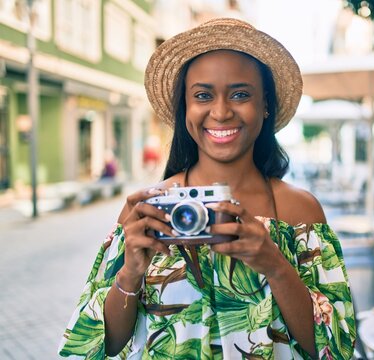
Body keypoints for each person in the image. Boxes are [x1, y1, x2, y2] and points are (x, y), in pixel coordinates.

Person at [58, 18, 356, 359]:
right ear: (186, 108)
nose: (221, 111)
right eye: (203, 95)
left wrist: (275, 265)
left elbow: (336, 348)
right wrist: (130, 273)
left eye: (240, 94)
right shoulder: (149, 211)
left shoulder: (301, 213)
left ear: (266, 106)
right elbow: (97, 346)